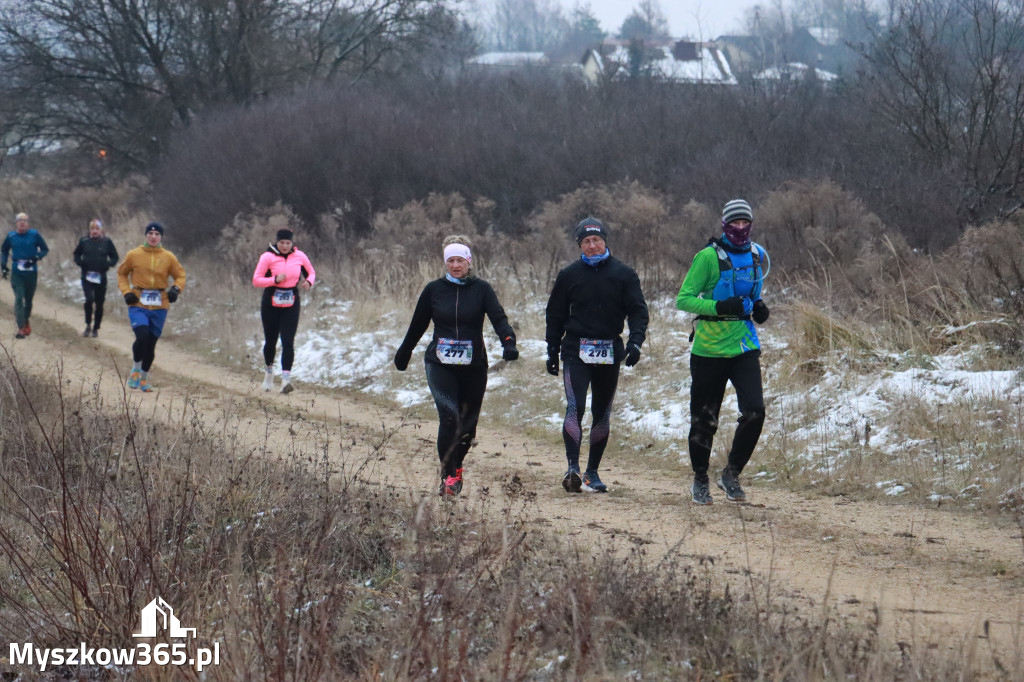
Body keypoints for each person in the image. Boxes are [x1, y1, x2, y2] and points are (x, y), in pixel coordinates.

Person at [393, 235, 518, 497]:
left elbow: (498, 318)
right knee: (449, 418)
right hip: (440, 364)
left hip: (474, 366)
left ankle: (457, 465)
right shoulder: (433, 290)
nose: (455, 265)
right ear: (445, 263)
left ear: (469, 262)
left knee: (468, 426)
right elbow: (418, 324)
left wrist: (508, 342)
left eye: (460, 260)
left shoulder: (482, 289)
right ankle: (448, 476)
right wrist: (404, 352)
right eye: (450, 260)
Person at [676, 199, 770, 505]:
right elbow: (684, 299)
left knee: (755, 411)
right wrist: (717, 307)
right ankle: (700, 478)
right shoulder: (707, 257)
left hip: (744, 345)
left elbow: (751, 293)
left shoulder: (756, 255)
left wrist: (758, 307)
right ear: (724, 226)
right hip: (709, 350)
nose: (741, 229)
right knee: (706, 419)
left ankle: (731, 474)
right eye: (735, 224)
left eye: (746, 223)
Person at [545, 217, 649, 494]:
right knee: (574, 407)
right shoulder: (569, 275)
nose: (592, 245)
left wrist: (636, 342)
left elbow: (638, 311)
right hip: (575, 350)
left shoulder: (624, 274)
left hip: (609, 351)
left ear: (605, 241)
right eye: (586, 242)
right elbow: (554, 314)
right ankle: (572, 469)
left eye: (596, 240)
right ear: (580, 245)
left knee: (601, 413)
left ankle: (592, 472)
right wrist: (551, 350)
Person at [116, 222, 186, 392]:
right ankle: (136, 369)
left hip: (160, 304)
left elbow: (180, 275)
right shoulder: (134, 255)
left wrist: (176, 289)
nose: (153, 237)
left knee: (151, 343)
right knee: (142, 336)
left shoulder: (168, 257)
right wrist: (127, 292)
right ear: (146, 235)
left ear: (161, 237)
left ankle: (144, 378)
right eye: (151, 233)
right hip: (138, 302)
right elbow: (122, 274)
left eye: (157, 234)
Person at [251, 227, 316, 394]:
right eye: (282, 243)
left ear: (292, 243)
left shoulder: (299, 256)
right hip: (271, 302)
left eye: (288, 243)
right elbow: (256, 280)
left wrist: (309, 282)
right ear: (276, 242)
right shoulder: (268, 257)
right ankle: (269, 374)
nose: (285, 246)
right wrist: (274, 279)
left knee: (288, 341)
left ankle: (286, 379)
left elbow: (311, 272)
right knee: (270, 340)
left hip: (291, 301)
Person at [1, 212, 49, 339]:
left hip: (31, 271)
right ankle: (21, 327)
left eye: (25, 221)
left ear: (28, 223)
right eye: (19, 221)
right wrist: (3, 265)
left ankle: (26, 320)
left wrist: (35, 258)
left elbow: (45, 249)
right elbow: (4, 250)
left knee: (28, 300)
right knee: (19, 298)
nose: (22, 223)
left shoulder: (34, 235)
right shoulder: (11, 236)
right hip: (17, 271)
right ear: (16, 223)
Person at [73, 218, 120, 337]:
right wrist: (80, 263)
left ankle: (96, 327)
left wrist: (108, 264)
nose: (94, 231)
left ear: (101, 230)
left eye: (97, 229)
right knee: (89, 300)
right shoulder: (84, 241)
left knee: (99, 303)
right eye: (92, 229)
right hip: (87, 276)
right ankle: (88, 324)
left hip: (101, 277)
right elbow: (76, 254)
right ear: (89, 230)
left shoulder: (107, 242)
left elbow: (115, 257)